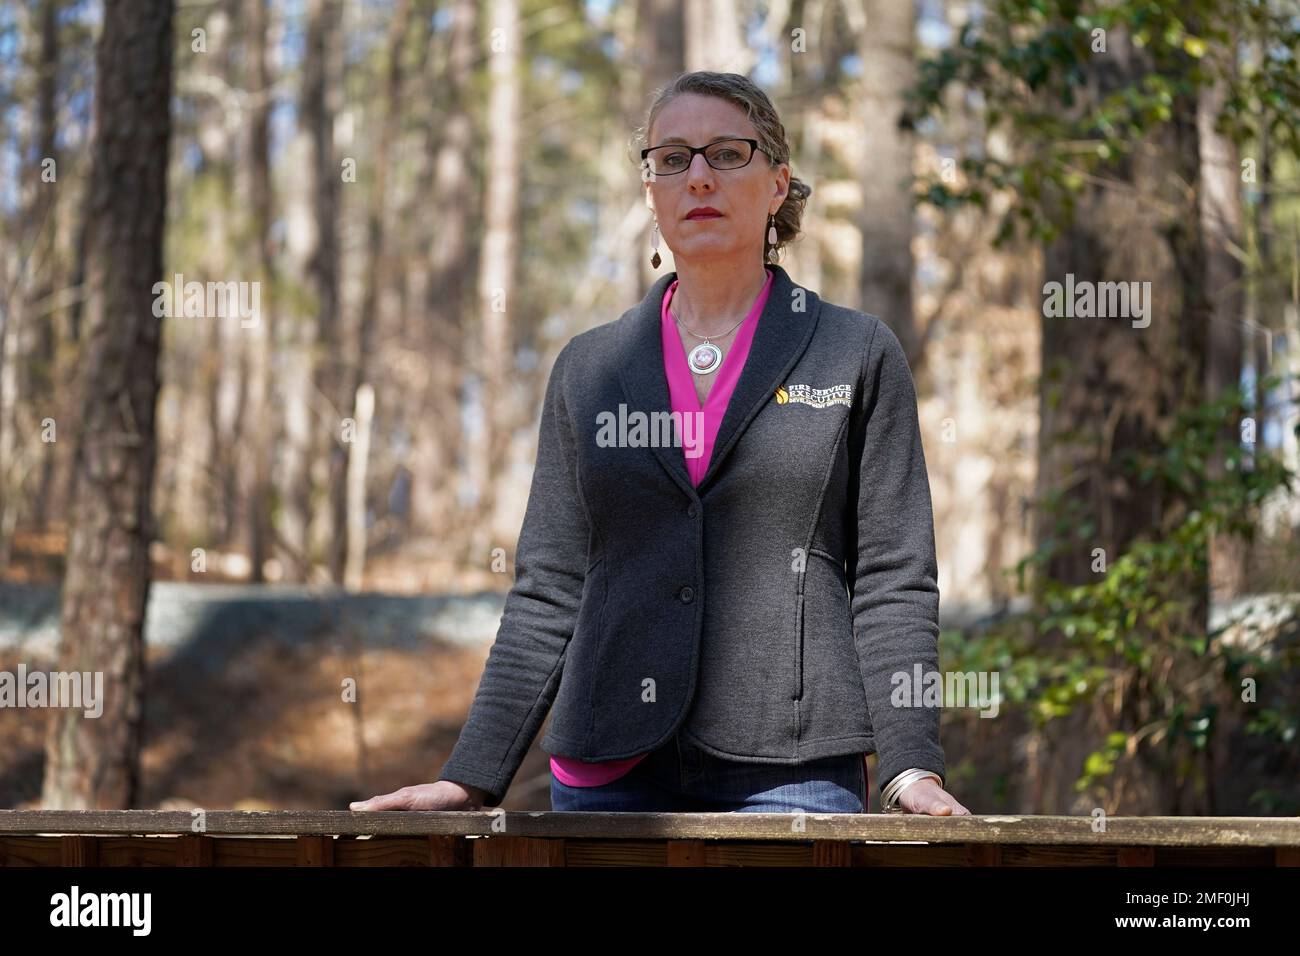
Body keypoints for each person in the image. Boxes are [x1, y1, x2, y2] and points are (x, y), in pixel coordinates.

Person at [351, 71, 969, 816]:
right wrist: (472, 772)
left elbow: (895, 576)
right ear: (650, 190)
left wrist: (911, 768)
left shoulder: (855, 351)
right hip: (608, 768)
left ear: (778, 183)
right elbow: (549, 586)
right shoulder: (589, 368)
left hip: (793, 769)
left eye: (726, 154)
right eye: (671, 159)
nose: (698, 177)